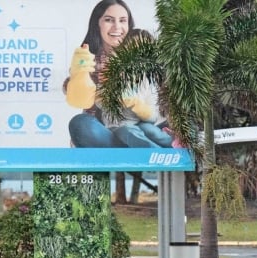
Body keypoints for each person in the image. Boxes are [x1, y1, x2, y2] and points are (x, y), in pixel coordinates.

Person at [65, 0, 135, 147]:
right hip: (104, 134)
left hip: (139, 130)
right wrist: (77, 77)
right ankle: (127, 157)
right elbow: (78, 97)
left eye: (123, 20)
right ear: (97, 24)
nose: (117, 27)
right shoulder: (87, 58)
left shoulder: (140, 54)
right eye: (109, 20)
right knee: (80, 124)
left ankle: (132, 154)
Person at [110, 30, 175, 148]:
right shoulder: (116, 75)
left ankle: (176, 145)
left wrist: (138, 106)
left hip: (147, 124)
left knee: (150, 130)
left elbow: (153, 116)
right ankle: (157, 154)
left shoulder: (152, 80)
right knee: (131, 130)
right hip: (122, 127)